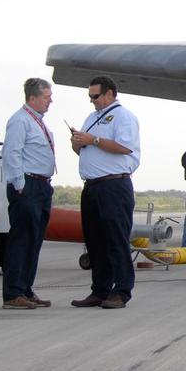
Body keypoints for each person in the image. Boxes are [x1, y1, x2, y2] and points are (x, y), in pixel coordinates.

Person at [69, 76, 141, 310]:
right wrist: (78, 142)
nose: (93, 101)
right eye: (90, 97)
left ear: (110, 94)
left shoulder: (123, 117)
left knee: (115, 239)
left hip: (114, 186)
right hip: (92, 186)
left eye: (96, 96)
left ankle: (121, 290)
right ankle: (100, 290)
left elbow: (124, 147)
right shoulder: (92, 118)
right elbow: (85, 148)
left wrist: (94, 140)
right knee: (95, 241)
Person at [0, 77, 58, 309]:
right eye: (46, 97)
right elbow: (11, 153)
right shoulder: (20, 121)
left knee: (34, 240)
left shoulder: (39, 122)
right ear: (32, 97)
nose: (50, 101)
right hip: (28, 185)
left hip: (42, 185)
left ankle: (25, 288)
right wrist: (20, 184)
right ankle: (13, 293)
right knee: (22, 239)